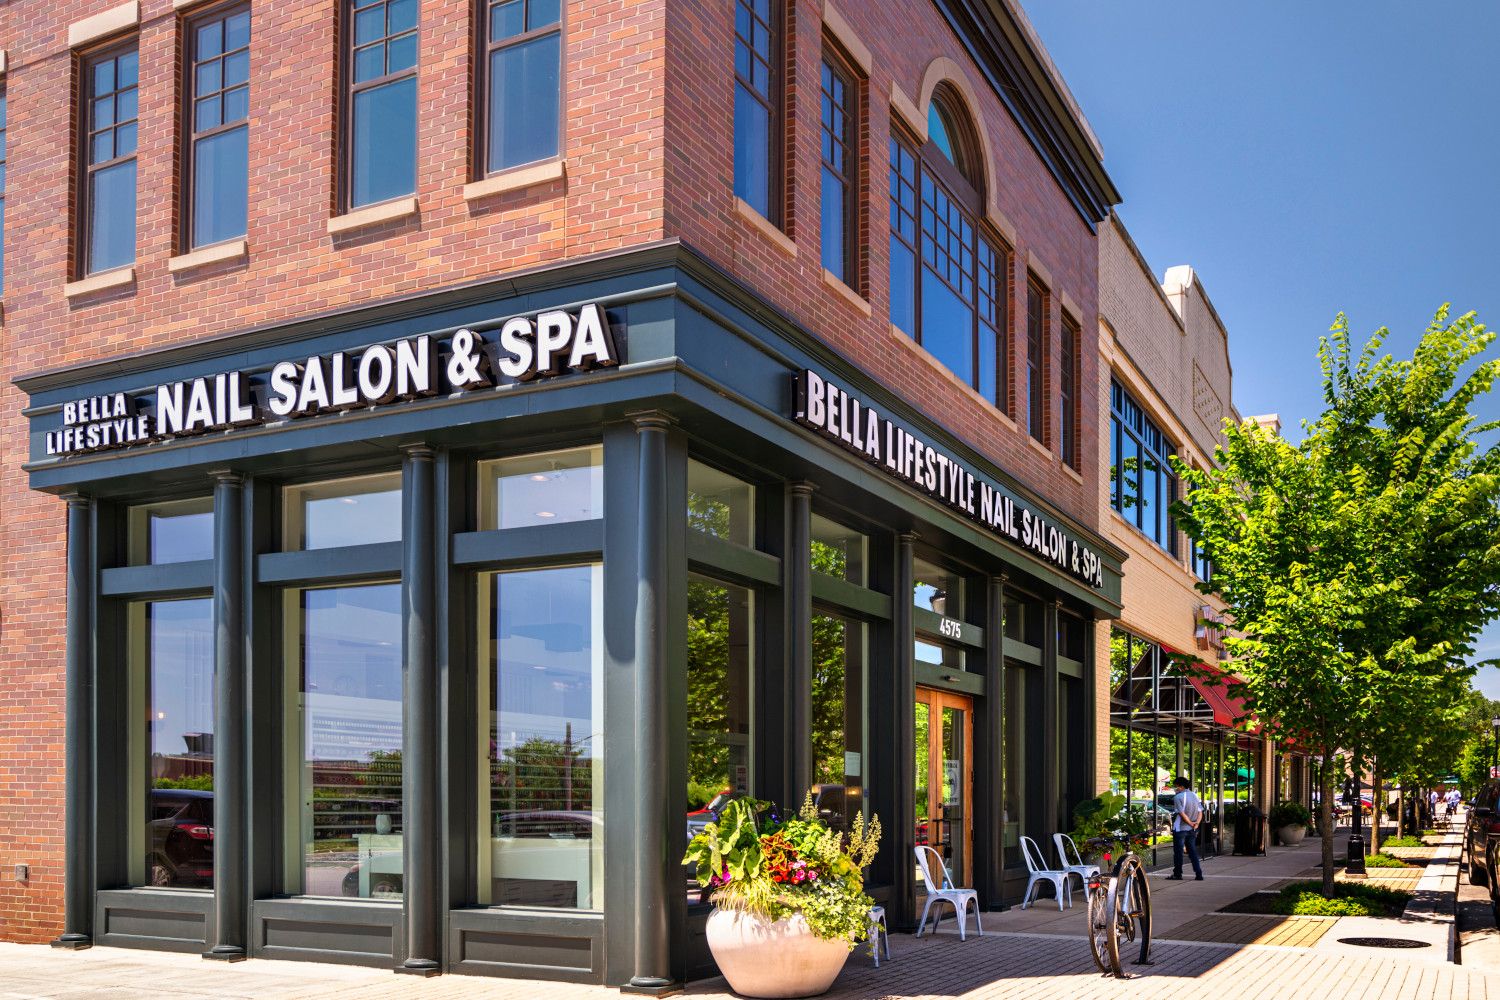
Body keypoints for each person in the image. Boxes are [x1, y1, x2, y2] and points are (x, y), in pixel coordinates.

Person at [1167, 775, 1204, 881]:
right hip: (1192, 829)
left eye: (1176, 786)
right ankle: (1199, 874)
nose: (1175, 788)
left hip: (1180, 829)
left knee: (1178, 852)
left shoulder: (1178, 797)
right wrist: (1196, 823)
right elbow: (1200, 812)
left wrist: (1190, 823)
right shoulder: (1194, 795)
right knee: (1192, 851)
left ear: (1181, 786)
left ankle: (1177, 874)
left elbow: (1181, 813)